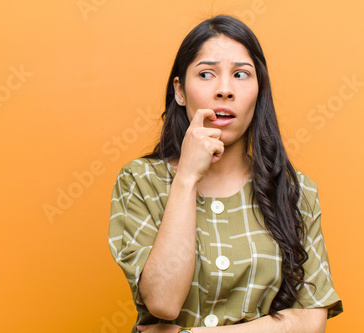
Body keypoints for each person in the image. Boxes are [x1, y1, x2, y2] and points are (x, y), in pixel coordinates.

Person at [108, 15, 342, 333]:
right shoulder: (139, 181)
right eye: (206, 74)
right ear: (179, 90)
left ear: (259, 90)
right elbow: (163, 302)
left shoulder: (295, 190)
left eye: (241, 75)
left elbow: (312, 318)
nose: (224, 90)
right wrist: (187, 176)